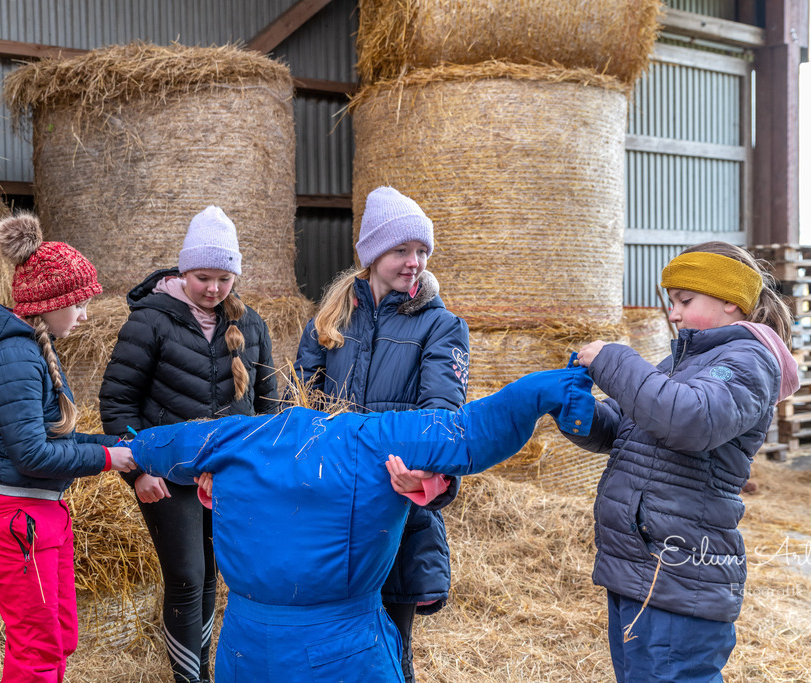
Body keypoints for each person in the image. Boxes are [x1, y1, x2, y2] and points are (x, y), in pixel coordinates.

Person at [125, 361, 596, 682]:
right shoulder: (373, 439)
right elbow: (471, 433)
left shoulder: (235, 439)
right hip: (341, 652)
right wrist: (550, 388)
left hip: (244, 647)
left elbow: (148, 446)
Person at [566, 241, 800, 682]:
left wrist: (614, 359)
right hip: (639, 567)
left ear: (731, 300)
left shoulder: (747, 361)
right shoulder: (683, 362)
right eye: (672, 301)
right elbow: (623, 428)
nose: (672, 313)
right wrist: (575, 412)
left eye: (684, 300)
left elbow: (690, 420)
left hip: (680, 578)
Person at [293, 186, 470, 682]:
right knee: (329, 647)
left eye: (421, 251)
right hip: (330, 510)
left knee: (390, 649)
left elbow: (443, 419)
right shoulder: (327, 323)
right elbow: (299, 411)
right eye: (400, 250)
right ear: (370, 255)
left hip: (395, 508)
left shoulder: (441, 327)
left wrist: (430, 478)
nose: (414, 262)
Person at [99, 205, 279, 683]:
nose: (214, 289)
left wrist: (265, 467)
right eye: (203, 277)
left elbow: (269, 406)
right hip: (168, 474)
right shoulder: (150, 321)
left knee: (214, 579)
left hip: (229, 477)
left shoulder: (252, 325)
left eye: (224, 278)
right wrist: (139, 469)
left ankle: (202, 671)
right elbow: (117, 402)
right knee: (186, 576)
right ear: (184, 271)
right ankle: (188, 678)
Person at [0, 212, 136, 683]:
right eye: (78, 303)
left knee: (60, 637)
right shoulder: (14, 356)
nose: (84, 315)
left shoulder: (34, 349)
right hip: (17, 518)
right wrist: (106, 458)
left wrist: (113, 442)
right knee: (38, 646)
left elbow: (52, 437)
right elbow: (32, 455)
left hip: (42, 514)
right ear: (50, 302)